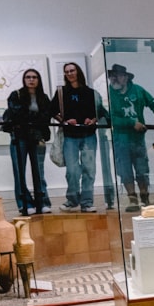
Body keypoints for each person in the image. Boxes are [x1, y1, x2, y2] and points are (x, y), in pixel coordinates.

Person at [107, 63, 154, 212]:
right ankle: (132, 199)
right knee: (125, 170)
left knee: (142, 169)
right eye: (112, 76)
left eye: (117, 75)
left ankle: (145, 197)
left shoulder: (138, 90)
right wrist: (132, 123)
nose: (114, 78)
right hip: (120, 140)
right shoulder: (108, 94)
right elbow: (110, 118)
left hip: (137, 139)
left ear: (125, 77)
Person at [54, 62, 107, 212]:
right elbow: (52, 111)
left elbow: (100, 112)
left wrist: (93, 120)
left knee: (89, 170)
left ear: (78, 72)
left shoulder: (91, 93)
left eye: (72, 70)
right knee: (72, 170)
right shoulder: (61, 92)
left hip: (88, 135)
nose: (70, 73)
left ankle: (87, 202)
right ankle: (72, 200)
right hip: (70, 136)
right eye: (67, 72)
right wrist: (65, 121)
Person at [2, 68, 53, 215]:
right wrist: (34, 118)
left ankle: (42, 202)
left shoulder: (43, 97)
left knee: (39, 172)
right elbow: (18, 114)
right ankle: (25, 203)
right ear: (24, 79)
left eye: (34, 77)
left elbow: (46, 117)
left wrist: (30, 118)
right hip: (19, 137)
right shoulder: (16, 95)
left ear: (38, 80)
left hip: (37, 137)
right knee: (19, 172)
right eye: (28, 77)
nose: (31, 80)